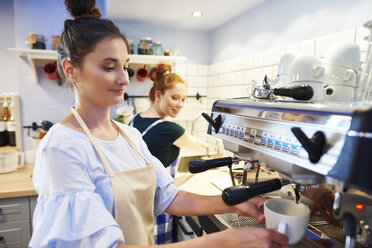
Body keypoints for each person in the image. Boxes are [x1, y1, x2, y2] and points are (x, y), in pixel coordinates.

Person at [29, 1, 289, 247]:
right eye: (109, 67)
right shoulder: (61, 148)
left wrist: (236, 204)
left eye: (125, 66)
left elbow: (170, 197)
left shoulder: (129, 136)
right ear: (71, 69)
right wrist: (223, 241)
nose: (123, 79)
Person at [129, 63, 209, 244]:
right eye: (175, 98)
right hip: (158, 202)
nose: (180, 104)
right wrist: (206, 147)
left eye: (183, 99)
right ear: (158, 95)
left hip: (137, 200)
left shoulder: (136, 119)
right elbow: (195, 143)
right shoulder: (169, 129)